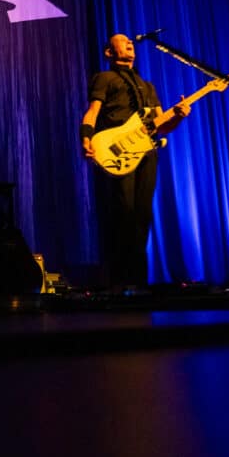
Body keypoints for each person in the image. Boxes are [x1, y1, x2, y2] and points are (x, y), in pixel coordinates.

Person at [80, 33, 191, 292]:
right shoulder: (104, 78)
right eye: (122, 41)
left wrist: (178, 116)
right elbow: (93, 112)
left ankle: (138, 281)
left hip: (146, 153)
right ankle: (119, 281)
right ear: (109, 52)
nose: (129, 43)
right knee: (124, 211)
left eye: (130, 41)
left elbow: (162, 126)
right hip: (118, 151)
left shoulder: (147, 86)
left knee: (143, 214)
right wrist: (85, 137)